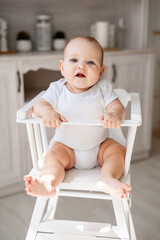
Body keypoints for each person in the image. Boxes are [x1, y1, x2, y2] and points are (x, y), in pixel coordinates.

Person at [24, 36, 132, 198]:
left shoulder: (103, 88)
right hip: (66, 147)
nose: (81, 66)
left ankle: (107, 178)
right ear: (62, 67)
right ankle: (48, 182)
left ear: (101, 71)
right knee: (53, 157)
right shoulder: (57, 88)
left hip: (99, 146)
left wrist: (114, 114)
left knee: (118, 151)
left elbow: (117, 106)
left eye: (90, 63)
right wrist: (47, 112)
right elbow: (39, 105)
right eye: (74, 60)